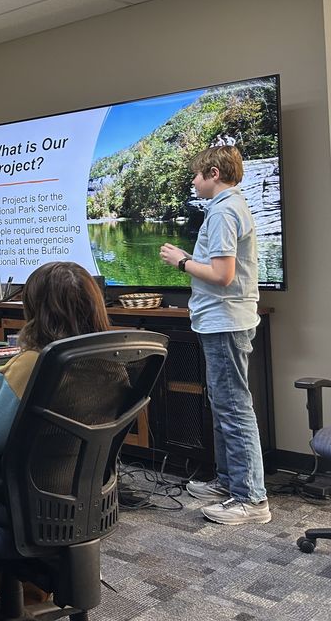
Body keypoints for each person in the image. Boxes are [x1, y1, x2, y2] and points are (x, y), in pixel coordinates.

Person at [0, 261, 114, 596]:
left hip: (20, 503)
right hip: (84, 500)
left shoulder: (32, 364)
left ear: (36, 310)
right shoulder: (111, 363)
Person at [160, 145, 268, 525]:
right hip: (221, 321)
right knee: (224, 405)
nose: (193, 181)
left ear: (214, 174)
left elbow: (222, 275)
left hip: (225, 321)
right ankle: (229, 483)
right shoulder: (227, 208)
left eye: (197, 174)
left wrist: (182, 262)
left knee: (234, 407)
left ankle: (251, 499)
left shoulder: (223, 211)